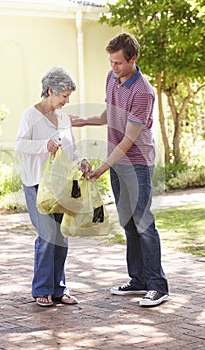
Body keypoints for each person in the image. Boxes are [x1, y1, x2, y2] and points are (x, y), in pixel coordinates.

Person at [71, 33, 169, 307]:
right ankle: (137, 280)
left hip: (136, 163)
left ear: (133, 58)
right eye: (111, 62)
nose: (113, 67)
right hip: (118, 162)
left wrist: (103, 167)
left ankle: (158, 286)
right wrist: (82, 121)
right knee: (127, 221)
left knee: (143, 223)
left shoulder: (143, 92)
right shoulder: (112, 78)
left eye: (118, 63)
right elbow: (108, 114)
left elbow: (128, 139)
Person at [15, 67, 91, 307]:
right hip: (37, 184)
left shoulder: (62, 118)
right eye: (64, 96)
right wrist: (43, 145)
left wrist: (81, 161)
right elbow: (20, 145)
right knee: (48, 236)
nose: (66, 101)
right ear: (51, 91)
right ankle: (41, 289)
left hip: (60, 185)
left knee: (61, 237)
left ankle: (59, 289)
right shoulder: (31, 114)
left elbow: (71, 148)